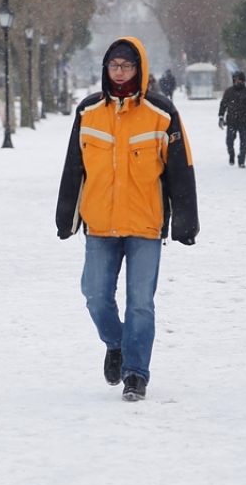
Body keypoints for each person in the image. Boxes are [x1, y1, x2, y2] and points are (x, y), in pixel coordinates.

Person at [56, 37, 199, 402]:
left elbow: (180, 172)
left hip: (144, 226)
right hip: (100, 225)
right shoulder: (88, 112)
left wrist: (185, 221)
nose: (119, 72)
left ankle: (136, 373)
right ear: (106, 69)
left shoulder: (161, 113)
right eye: (114, 66)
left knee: (140, 303)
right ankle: (116, 344)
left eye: (127, 66)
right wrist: (65, 217)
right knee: (95, 296)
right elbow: (75, 168)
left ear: (140, 69)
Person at [218, 70, 246, 168]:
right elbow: (223, 105)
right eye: (235, 79)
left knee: (244, 143)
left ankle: (241, 160)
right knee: (229, 141)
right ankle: (231, 154)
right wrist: (221, 117)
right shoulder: (229, 92)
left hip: (244, 121)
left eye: (239, 80)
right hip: (231, 121)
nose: (237, 81)